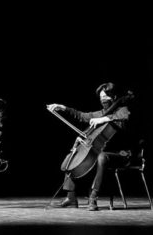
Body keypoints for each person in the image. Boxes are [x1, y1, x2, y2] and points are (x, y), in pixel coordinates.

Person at [46, 82, 135, 211]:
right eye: (101, 99)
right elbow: (82, 115)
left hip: (122, 154)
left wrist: (104, 119)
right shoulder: (103, 112)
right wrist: (63, 107)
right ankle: (71, 197)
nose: (103, 101)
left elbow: (125, 117)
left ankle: (93, 196)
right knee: (73, 154)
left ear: (114, 97)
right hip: (101, 150)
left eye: (105, 98)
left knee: (101, 157)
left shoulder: (123, 110)